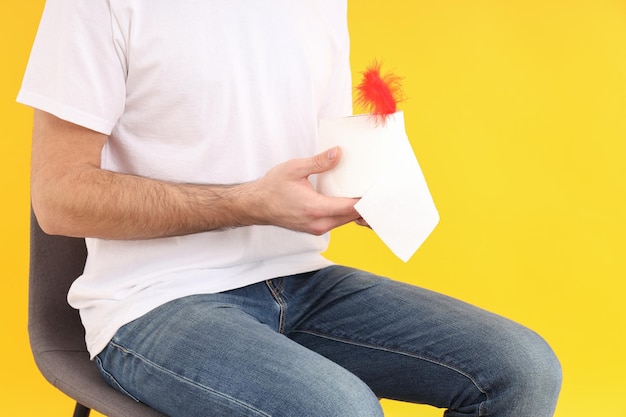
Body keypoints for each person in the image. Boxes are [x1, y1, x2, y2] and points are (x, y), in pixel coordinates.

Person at [19, 1, 561, 416]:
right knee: (341, 410)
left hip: (299, 278)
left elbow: (316, 154)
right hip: (153, 299)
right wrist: (246, 202)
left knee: (523, 370)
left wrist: (365, 186)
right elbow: (60, 199)